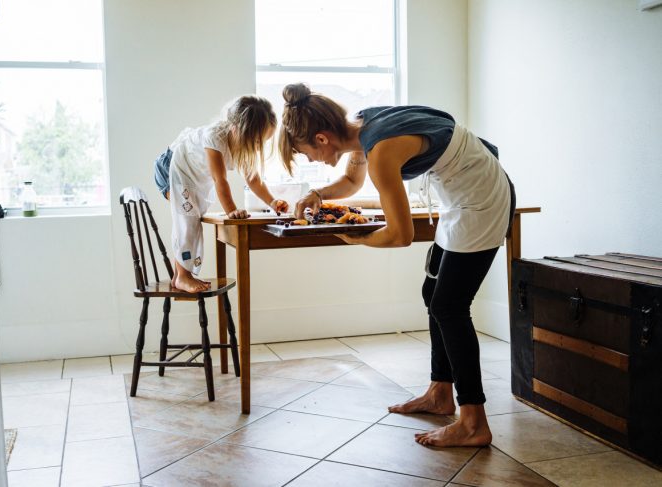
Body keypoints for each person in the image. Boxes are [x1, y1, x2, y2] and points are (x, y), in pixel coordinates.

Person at [279, 83, 516, 448]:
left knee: (449, 307)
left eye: (305, 151)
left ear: (323, 138)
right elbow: (350, 181)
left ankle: (473, 422)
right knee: (432, 293)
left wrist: (354, 239)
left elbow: (400, 235)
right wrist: (319, 194)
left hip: (482, 199)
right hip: (458, 197)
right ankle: (440, 393)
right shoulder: (361, 127)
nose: (310, 159)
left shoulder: (382, 150)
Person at [154, 95, 288, 293]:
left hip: (192, 177)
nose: (259, 147)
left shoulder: (244, 145)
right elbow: (220, 179)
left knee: (190, 218)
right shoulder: (214, 137)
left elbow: (253, 180)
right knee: (187, 219)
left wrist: (273, 201)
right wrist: (231, 210)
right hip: (172, 167)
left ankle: (178, 276)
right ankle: (182, 276)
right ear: (238, 131)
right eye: (258, 141)